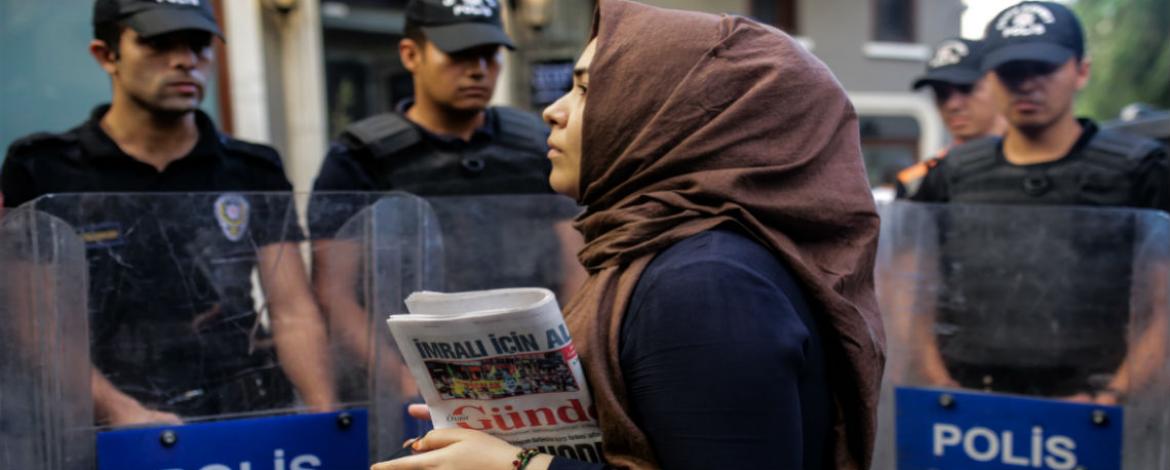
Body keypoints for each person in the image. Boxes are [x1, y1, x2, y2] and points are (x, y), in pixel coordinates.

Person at [372, 1, 886, 469]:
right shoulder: (663, 250)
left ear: (667, 119)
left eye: (588, 89)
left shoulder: (705, 283)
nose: (554, 110)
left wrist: (517, 465)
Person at [0, 0, 334, 425]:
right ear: (106, 55)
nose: (184, 61)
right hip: (98, 423)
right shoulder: (43, 167)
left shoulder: (252, 167)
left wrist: (325, 416)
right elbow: (35, 321)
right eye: (158, 44)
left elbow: (292, 309)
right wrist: (122, 412)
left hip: (238, 413)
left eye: (198, 45)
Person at [310, 0, 583, 402]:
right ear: (410, 54)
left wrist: (562, 361)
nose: (478, 69)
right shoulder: (358, 158)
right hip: (407, 385)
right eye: (458, 54)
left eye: (489, 55)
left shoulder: (539, 146)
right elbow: (334, 294)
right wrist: (408, 382)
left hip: (534, 374)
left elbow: (579, 266)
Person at [908, 1, 1169, 403]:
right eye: (1011, 72)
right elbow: (906, 279)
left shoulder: (1141, 170)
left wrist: (1114, 395)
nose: (1027, 84)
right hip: (967, 402)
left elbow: (1163, 305)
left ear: (1082, 71)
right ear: (991, 78)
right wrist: (934, 377)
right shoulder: (950, 174)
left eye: (1043, 68)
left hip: (1096, 409)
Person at [896, 37, 1007, 198]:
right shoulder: (916, 182)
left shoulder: (1037, 163)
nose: (952, 105)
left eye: (966, 88)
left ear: (997, 84)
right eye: (941, 94)